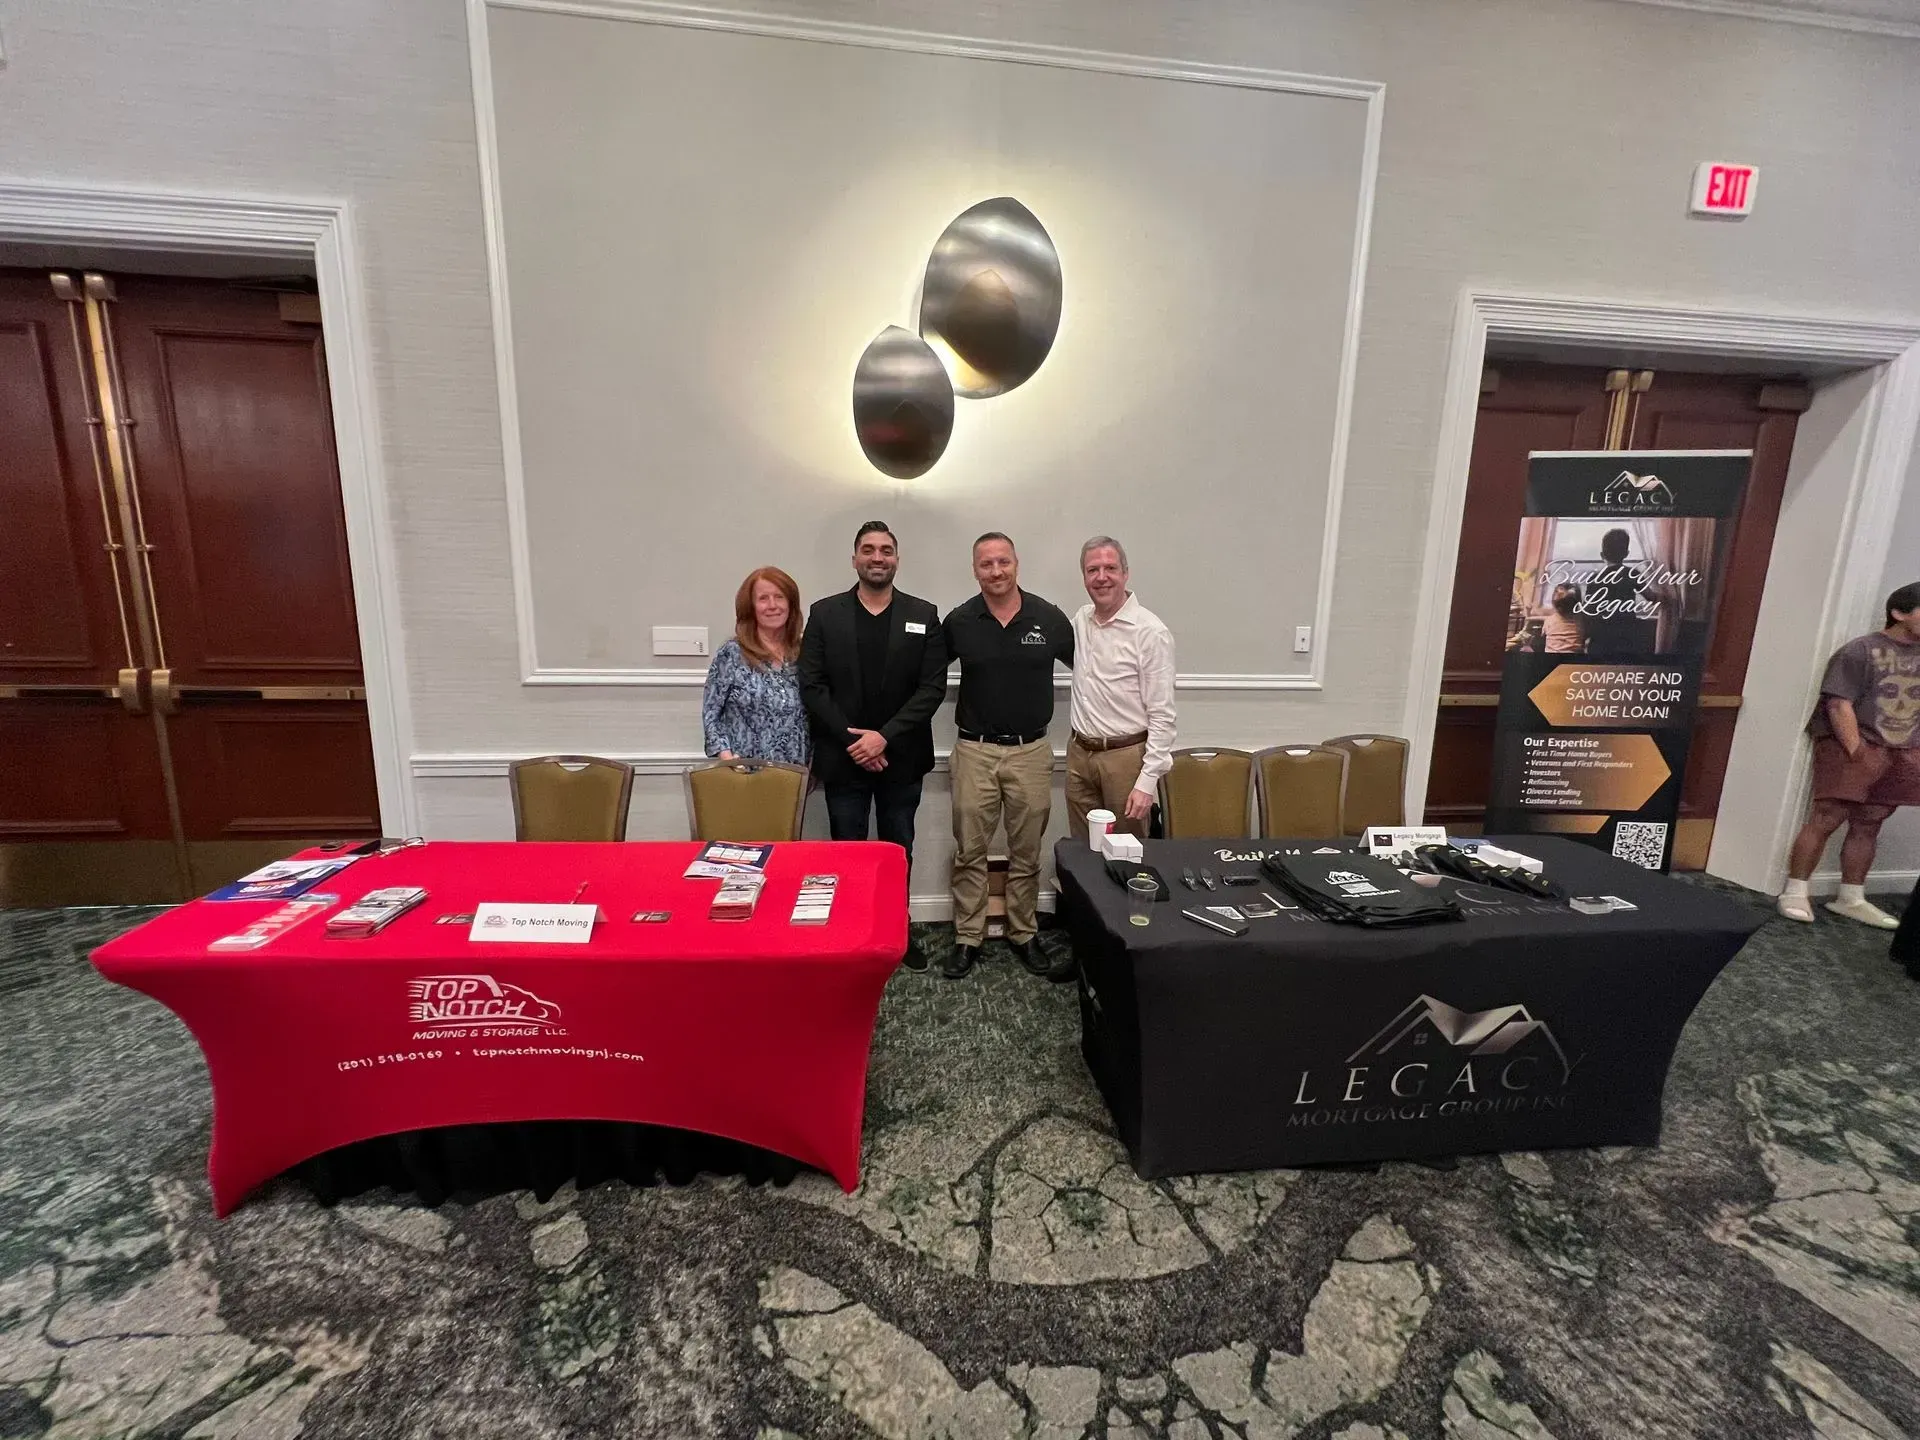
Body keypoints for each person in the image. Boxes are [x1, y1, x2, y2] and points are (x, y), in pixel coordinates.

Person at [798, 521, 947, 970]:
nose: (877, 557)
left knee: (897, 846)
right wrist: (856, 740)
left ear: (897, 559)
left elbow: (931, 688)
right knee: (847, 848)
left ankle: (895, 931)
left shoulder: (924, 614)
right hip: (844, 760)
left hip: (902, 758)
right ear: (855, 559)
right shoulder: (825, 614)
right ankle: (850, 932)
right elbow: (812, 684)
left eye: (886, 550)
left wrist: (884, 737)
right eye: (868, 549)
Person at [942, 532, 1075, 982]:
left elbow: (1096, 670)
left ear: (1017, 563)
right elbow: (920, 678)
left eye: (1003, 562)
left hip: (1031, 751)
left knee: (1026, 851)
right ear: (975, 569)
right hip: (974, 750)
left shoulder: (1049, 619)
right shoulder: (960, 621)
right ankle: (968, 935)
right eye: (986, 564)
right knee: (970, 850)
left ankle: (1023, 931)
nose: (995, 571)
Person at [1779, 582, 1920, 927]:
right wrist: (1857, 751)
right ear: (1899, 613)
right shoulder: (1860, 651)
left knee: (1871, 821)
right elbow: (1838, 703)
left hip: (1902, 749)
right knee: (1827, 816)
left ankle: (1851, 897)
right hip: (1855, 744)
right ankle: (1795, 890)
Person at [1066, 536, 1176, 841]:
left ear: (1125, 573)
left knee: (1127, 853)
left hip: (1125, 760)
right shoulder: (1081, 621)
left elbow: (1163, 716)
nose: (1101, 577)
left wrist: (1146, 782)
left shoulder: (1150, 632)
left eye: (1110, 568)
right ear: (1084, 577)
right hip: (1079, 756)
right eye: (1092, 570)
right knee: (1082, 853)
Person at [701, 566, 809, 766]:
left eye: (779, 597)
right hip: (742, 774)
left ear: (791, 604)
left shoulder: (806, 653)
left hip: (794, 775)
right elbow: (711, 714)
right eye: (763, 598)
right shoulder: (732, 653)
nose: (772, 605)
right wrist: (726, 757)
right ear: (750, 606)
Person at [1582, 529, 1654, 658]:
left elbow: (1588, 610)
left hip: (1601, 636)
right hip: (1626, 635)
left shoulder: (1594, 578)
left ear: (1602, 555)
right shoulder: (1633, 574)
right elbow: (1651, 597)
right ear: (1626, 554)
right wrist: (1669, 596)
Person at [1541, 585, 1587, 654]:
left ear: (1554, 602)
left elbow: (1543, 635)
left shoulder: (1549, 620)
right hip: (1574, 660)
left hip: (1551, 659)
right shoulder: (1582, 620)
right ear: (1578, 602)